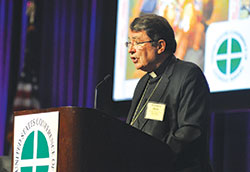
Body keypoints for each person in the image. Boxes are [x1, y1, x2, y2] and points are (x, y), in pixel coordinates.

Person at [126, 14, 212, 172]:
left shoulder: (188, 74)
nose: (131, 50)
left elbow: (190, 132)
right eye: (129, 43)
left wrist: (152, 160)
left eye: (137, 42)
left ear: (160, 46)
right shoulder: (142, 83)